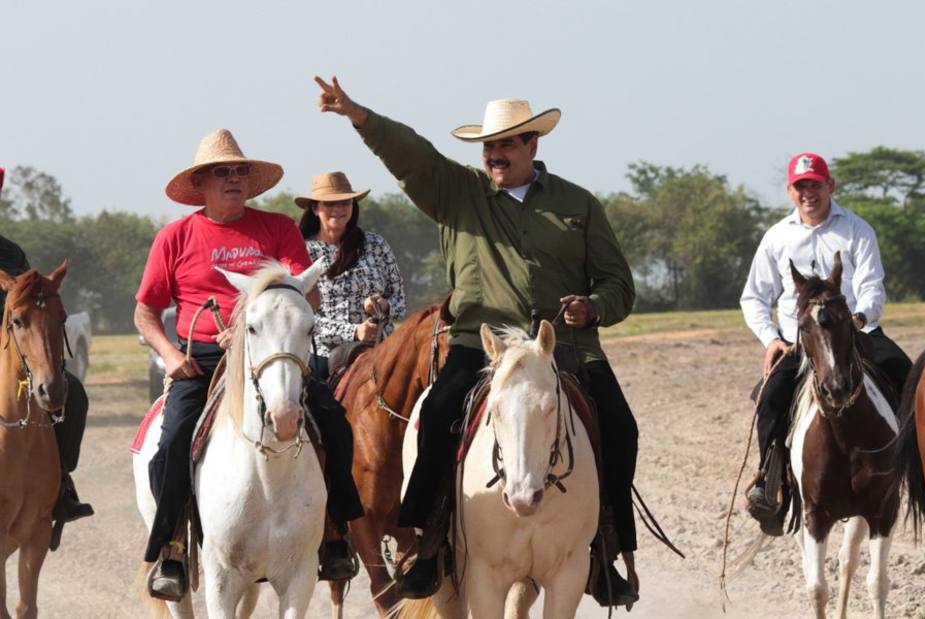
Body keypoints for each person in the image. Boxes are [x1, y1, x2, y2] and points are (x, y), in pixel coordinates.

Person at [314, 76, 640, 607]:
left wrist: (594, 307)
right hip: (480, 345)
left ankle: (608, 553)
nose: (495, 154)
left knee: (620, 427)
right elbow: (412, 155)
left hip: (564, 347)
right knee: (441, 408)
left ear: (533, 145)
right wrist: (359, 116)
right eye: (489, 145)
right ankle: (427, 545)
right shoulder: (458, 193)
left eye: (507, 143)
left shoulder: (578, 205)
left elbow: (618, 284)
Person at [134, 129, 363, 600]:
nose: (233, 178)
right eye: (222, 172)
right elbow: (146, 312)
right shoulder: (175, 236)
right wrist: (171, 356)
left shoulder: (277, 227)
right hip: (201, 359)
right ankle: (173, 546)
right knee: (173, 439)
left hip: (272, 350)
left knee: (336, 423)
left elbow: (301, 287)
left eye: (240, 171)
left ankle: (335, 534)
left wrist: (270, 314)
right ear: (201, 183)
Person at [740, 152, 913, 534]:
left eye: (815, 185)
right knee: (771, 399)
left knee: (909, 376)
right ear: (790, 192)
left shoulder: (856, 229)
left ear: (829, 185)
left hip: (857, 333)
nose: (808, 193)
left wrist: (859, 318)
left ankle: (919, 476)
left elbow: (872, 287)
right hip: (799, 343)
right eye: (801, 187)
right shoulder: (777, 237)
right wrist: (771, 339)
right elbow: (753, 297)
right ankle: (773, 486)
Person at [0, 166, 94, 535]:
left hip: (10, 354)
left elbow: (31, 303)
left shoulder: (9, 252)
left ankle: (61, 484)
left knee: (75, 393)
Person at [295, 171, 406, 379]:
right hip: (324, 354)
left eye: (345, 202)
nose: (338, 209)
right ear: (315, 208)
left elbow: (399, 298)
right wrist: (353, 332)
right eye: (329, 204)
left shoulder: (376, 244)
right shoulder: (302, 252)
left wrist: (383, 306)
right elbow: (301, 315)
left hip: (380, 349)